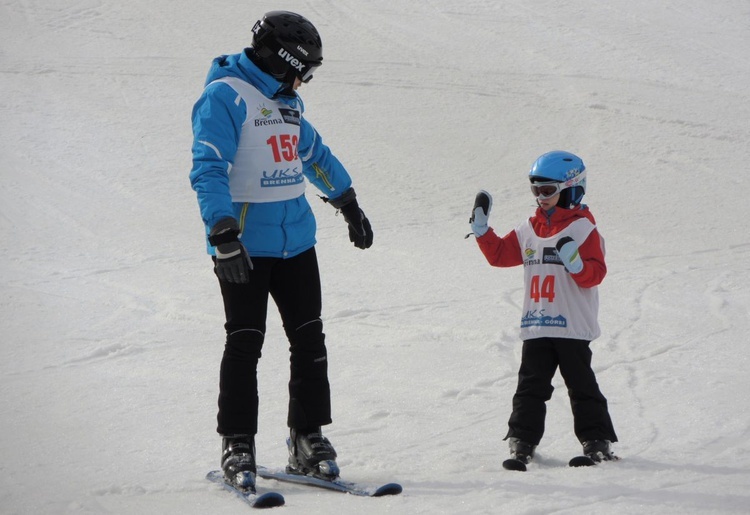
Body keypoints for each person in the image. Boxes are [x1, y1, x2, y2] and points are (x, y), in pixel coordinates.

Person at [189, 11, 374, 489]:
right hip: (245, 249)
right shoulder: (223, 97)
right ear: (279, 59)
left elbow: (313, 154)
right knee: (245, 344)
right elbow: (208, 167)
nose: (304, 80)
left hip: (297, 242)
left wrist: (347, 202)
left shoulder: (288, 102)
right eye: (302, 70)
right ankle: (237, 442)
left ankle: (306, 438)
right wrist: (223, 236)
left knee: (309, 341)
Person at [468, 150, 618, 466]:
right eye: (535, 190)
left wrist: (577, 266)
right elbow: (500, 256)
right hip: (537, 323)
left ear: (571, 188)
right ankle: (521, 440)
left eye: (548, 190)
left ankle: (596, 441)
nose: (541, 197)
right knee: (530, 387)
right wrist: (483, 231)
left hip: (572, 326)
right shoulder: (528, 229)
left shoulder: (583, 230)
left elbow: (596, 274)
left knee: (581, 385)